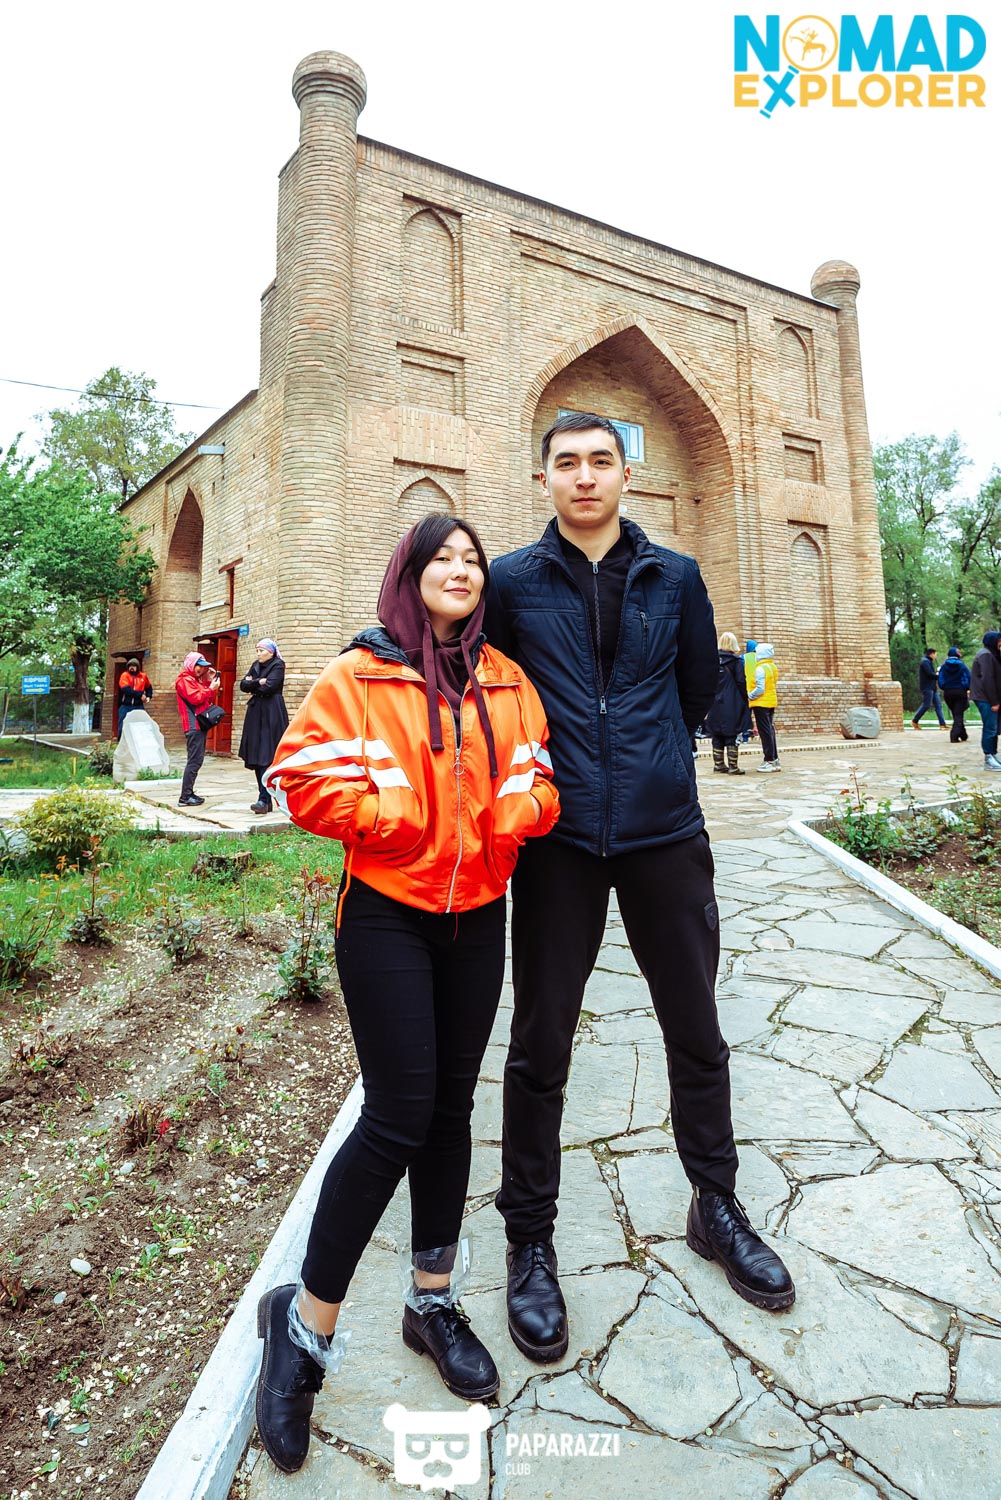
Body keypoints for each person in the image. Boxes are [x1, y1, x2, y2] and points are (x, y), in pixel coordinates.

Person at [484, 412, 794, 1370]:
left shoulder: (676, 576)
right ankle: (529, 1240)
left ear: (626, 475)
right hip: (558, 840)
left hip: (664, 835)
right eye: (566, 463)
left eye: (599, 461)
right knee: (539, 1043)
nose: (584, 477)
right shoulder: (512, 581)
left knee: (694, 1029)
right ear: (543, 478)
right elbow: (479, 681)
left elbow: (699, 687)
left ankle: (715, 1204)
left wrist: (653, 760)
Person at [254, 514, 558, 1474]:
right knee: (395, 1116)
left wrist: (518, 813)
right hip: (387, 912)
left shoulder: (505, 680)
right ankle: (300, 1331)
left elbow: (541, 776)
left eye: (472, 561)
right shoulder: (360, 674)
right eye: (443, 559)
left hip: (478, 915)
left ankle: (432, 1302)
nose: (460, 571)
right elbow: (297, 776)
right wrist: (387, 816)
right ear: (410, 573)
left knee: (450, 1110)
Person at [238, 639, 289, 813]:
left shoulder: (278, 665)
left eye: (262, 650)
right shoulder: (256, 665)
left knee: (267, 754)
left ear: (271, 652)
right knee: (256, 753)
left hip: (271, 712)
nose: (259, 654)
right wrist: (257, 682)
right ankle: (264, 800)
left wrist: (254, 683)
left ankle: (264, 798)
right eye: (257, 650)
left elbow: (270, 686)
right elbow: (243, 685)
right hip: (256, 712)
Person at [174, 652, 220, 806]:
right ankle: (185, 797)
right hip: (193, 726)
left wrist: (209, 682)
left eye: (203, 666)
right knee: (194, 761)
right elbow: (196, 698)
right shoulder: (184, 680)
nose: (201, 669)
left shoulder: (194, 680)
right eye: (198, 666)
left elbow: (205, 699)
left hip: (199, 725)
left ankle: (189, 793)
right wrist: (211, 688)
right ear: (191, 665)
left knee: (197, 760)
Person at [705, 631, 751, 775]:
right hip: (732, 701)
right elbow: (741, 682)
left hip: (714, 701)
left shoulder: (711, 660)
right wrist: (745, 699)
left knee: (717, 733)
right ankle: (733, 766)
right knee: (732, 732)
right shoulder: (736, 662)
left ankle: (718, 764)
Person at [970, 630, 1001, 771]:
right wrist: (994, 701)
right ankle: (988, 757)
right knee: (990, 727)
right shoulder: (986, 655)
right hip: (986, 698)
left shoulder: (991, 654)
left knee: (993, 728)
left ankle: (992, 755)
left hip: (989, 698)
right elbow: (988, 679)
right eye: (999, 640)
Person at [747, 642, 781, 771]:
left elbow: (760, 688)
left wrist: (750, 695)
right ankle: (775, 759)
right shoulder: (772, 666)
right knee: (769, 730)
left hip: (761, 702)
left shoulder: (760, 668)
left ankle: (769, 760)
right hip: (770, 701)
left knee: (765, 731)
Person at [937, 646, 971, 744]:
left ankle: (963, 734)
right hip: (960, 691)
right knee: (958, 714)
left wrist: (944, 687)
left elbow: (941, 679)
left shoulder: (944, 666)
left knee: (956, 713)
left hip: (948, 692)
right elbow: (968, 677)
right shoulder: (962, 666)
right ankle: (954, 735)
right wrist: (966, 688)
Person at [911, 647, 947, 729]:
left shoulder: (929, 662)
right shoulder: (925, 662)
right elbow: (930, 674)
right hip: (927, 687)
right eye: (935, 654)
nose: (936, 656)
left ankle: (942, 724)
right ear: (932, 654)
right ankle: (915, 721)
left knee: (938, 705)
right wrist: (938, 675)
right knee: (926, 704)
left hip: (932, 687)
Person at [117, 656, 153, 738]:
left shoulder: (143, 676)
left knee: (141, 723)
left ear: (137, 667)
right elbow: (126, 689)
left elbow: (149, 687)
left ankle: (140, 741)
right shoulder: (125, 675)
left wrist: (148, 696)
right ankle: (120, 741)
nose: (131, 668)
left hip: (138, 705)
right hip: (126, 705)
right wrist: (140, 695)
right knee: (122, 724)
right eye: (130, 666)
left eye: (133, 666)